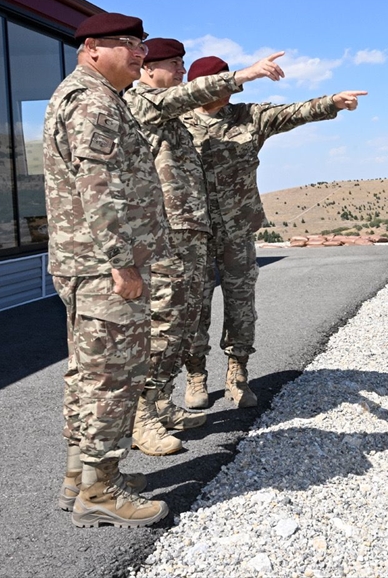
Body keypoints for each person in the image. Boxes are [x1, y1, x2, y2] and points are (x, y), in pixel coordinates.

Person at [122, 38, 284, 455]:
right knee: (166, 323)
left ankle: (161, 404)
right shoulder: (144, 103)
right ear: (147, 69)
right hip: (168, 234)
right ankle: (145, 413)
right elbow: (188, 94)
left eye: (181, 63)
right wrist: (243, 74)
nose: (180, 69)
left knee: (185, 317)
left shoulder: (172, 110)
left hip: (193, 232)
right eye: (173, 64)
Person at [180, 55, 366, 408]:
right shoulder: (177, 122)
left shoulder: (248, 116)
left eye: (230, 80)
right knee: (193, 307)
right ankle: (195, 374)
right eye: (220, 81)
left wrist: (333, 102)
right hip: (193, 232)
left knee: (241, 304)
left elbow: (293, 113)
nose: (231, 87)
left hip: (238, 229)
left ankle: (237, 372)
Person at [44, 12, 167, 527]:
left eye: (141, 45)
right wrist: (122, 264)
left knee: (90, 375)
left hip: (87, 264)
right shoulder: (93, 102)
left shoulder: (91, 96)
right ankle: (101, 492)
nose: (140, 52)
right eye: (128, 44)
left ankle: (80, 477)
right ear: (91, 48)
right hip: (103, 267)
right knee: (114, 378)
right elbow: (99, 189)